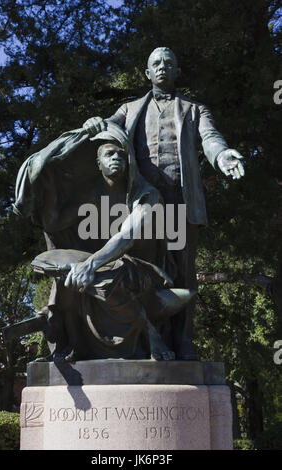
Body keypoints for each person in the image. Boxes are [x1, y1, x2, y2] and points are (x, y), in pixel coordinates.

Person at [83, 47, 245, 360]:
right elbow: (106, 129)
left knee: (182, 274)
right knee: (133, 268)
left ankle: (183, 341)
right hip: (139, 203)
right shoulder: (129, 109)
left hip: (179, 203)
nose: (162, 67)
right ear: (146, 73)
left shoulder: (194, 109)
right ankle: (140, 338)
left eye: (169, 62)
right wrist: (95, 123)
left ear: (177, 71)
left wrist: (223, 155)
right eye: (156, 63)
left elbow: (210, 138)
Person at [12, 121, 195, 361]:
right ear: (98, 164)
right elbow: (55, 224)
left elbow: (126, 237)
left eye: (122, 154)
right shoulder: (92, 194)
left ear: (130, 160)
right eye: (109, 154)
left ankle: (150, 332)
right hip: (97, 267)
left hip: (140, 269)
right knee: (68, 277)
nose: (116, 158)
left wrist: (90, 264)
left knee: (113, 273)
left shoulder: (147, 195)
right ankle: (63, 336)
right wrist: (50, 185)